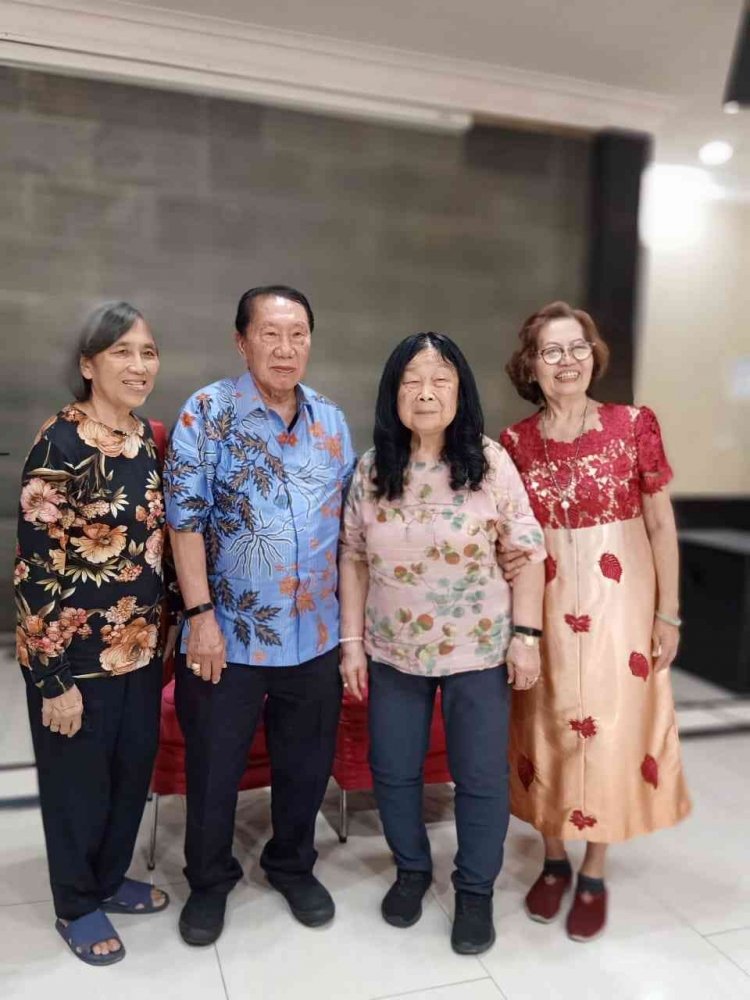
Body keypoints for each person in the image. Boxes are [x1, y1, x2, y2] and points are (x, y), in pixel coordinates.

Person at [339, 332, 546, 955]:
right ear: (393, 394)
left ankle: (475, 891)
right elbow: (353, 557)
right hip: (393, 649)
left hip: (477, 649)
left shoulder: (490, 463)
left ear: (461, 392)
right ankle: (411, 871)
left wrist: (526, 637)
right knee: (393, 770)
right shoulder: (373, 468)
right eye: (412, 382)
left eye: (440, 381)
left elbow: (527, 552)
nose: (425, 393)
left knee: (479, 776)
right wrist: (352, 642)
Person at [164, 285, 356, 946]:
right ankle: (208, 880)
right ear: (241, 341)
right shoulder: (208, 412)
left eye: (297, 334)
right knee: (214, 769)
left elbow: (349, 528)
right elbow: (184, 523)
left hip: (315, 635)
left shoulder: (331, 420)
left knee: (305, 766)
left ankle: (291, 865)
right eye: (270, 334)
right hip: (228, 636)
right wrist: (200, 617)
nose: (284, 348)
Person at [499, 300, 691, 942]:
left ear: (594, 355)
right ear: (531, 365)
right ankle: (553, 858)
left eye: (577, 347)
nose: (567, 361)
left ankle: (595, 869)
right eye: (551, 351)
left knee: (610, 730)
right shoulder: (514, 444)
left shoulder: (633, 424)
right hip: (544, 604)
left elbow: (660, 523)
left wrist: (668, 613)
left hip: (621, 604)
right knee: (545, 723)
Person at [15, 301, 173, 966]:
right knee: (76, 789)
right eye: (121, 352)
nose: (139, 365)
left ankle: (109, 879)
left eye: (147, 352)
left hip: (138, 650)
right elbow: (35, 570)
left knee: (128, 778)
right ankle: (76, 903)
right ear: (88, 364)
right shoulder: (61, 443)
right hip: (75, 659)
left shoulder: (144, 440)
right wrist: (51, 679)